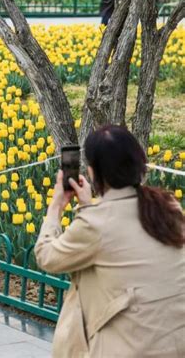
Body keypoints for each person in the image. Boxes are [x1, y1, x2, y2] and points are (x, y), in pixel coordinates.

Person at [35, 125, 184, 358]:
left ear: (93, 172)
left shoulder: (97, 223)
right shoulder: (168, 208)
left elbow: (46, 256)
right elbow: (118, 247)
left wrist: (56, 206)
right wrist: (87, 206)